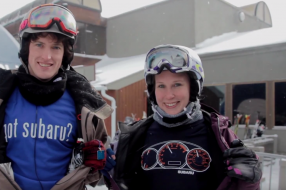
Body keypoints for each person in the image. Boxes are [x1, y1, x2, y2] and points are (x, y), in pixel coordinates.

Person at [0, 4, 113, 190]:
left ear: (65, 54)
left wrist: (97, 163)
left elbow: (94, 175)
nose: (47, 56)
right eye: (39, 44)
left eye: (56, 47)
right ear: (27, 49)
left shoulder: (85, 107)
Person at [112, 44, 262, 190]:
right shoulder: (133, 138)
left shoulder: (219, 135)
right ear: (152, 91)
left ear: (193, 87)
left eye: (177, 84)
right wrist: (110, 171)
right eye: (161, 86)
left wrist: (249, 182)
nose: (169, 95)